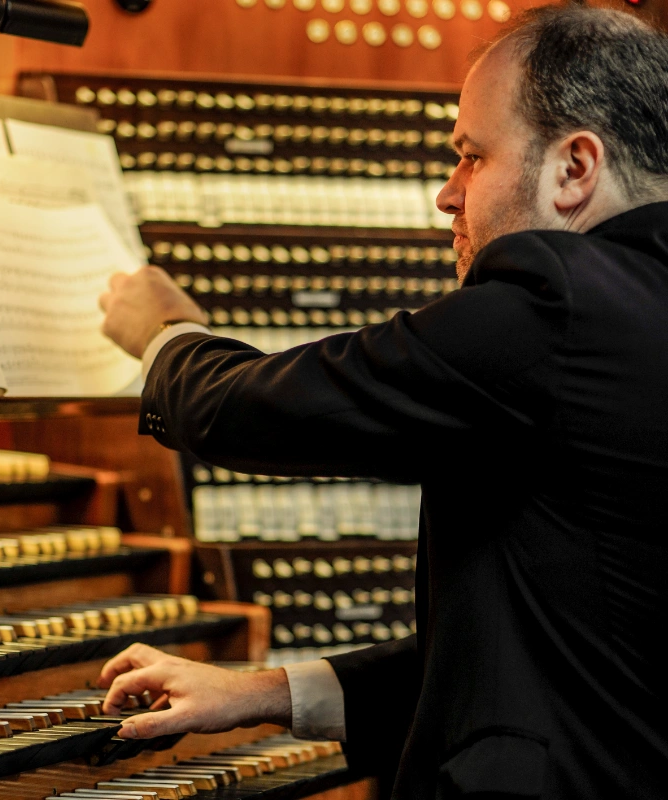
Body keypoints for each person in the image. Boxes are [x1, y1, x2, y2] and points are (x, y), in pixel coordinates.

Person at [98, 5, 668, 798]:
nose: (447, 194)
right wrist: (266, 692)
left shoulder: (560, 301)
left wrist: (165, 333)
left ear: (575, 168)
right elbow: (549, 657)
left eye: (472, 157)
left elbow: (252, 411)